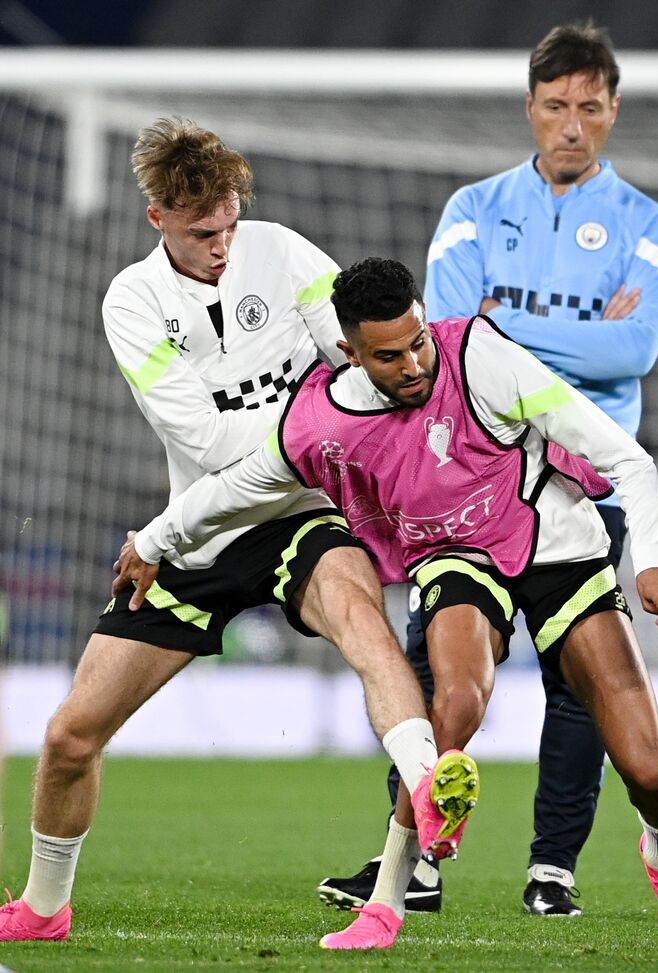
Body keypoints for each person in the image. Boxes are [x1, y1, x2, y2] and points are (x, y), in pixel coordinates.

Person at [119, 257, 658, 953]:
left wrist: (655, 563)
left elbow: (628, 460)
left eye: (418, 341)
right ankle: (386, 903)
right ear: (350, 351)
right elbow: (238, 486)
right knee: (456, 699)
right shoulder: (322, 419)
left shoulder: (482, 357)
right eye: (388, 354)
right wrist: (156, 537)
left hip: (557, 542)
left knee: (647, 770)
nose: (412, 364)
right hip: (458, 557)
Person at [0, 121, 466, 945]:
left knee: (367, 630)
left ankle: (418, 821)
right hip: (203, 527)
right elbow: (205, 445)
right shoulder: (132, 301)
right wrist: (316, 420)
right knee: (72, 734)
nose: (222, 245)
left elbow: (364, 355)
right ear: (157, 221)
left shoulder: (283, 252)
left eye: (228, 223)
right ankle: (43, 907)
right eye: (201, 232)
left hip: (305, 514)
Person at [316, 20, 658, 918]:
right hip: (470, 488)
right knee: (440, 681)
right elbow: (444, 334)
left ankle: (551, 868)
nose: (571, 125)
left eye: (589, 109)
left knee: (582, 695)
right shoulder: (473, 208)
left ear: (612, 112)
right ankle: (417, 860)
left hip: (582, 493)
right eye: (555, 106)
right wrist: (573, 336)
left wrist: (505, 328)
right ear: (530, 107)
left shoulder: (646, 222)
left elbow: (634, 348)